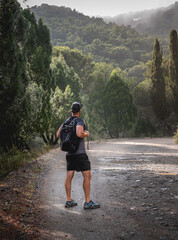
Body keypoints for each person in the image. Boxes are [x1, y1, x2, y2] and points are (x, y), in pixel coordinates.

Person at [56, 102, 100, 209]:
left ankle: (69, 201)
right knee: (87, 176)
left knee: (69, 177)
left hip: (69, 154)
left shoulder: (66, 121)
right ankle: (87, 202)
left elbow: (58, 134)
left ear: (71, 111)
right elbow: (79, 133)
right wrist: (86, 133)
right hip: (80, 154)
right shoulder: (80, 121)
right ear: (79, 111)